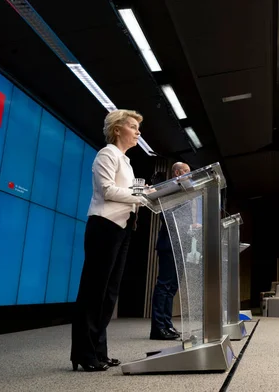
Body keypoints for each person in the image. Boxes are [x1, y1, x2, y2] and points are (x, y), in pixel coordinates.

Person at [70, 109, 144, 372]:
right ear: (117, 129)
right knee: (94, 291)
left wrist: (144, 195)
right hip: (104, 225)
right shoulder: (107, 154)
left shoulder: (126, 161)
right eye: (133, 127)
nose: (138, 132)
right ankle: (83, 353)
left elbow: (127, 192)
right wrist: (140, 196)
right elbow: (107, 190)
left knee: (109, 293)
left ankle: (99, 352)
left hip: (123, 228)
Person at [150, 162, 192, 340]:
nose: (190, 175)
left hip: (181, 244)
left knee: (172, 287)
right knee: (164, 286)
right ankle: (158, 327)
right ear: (177, 173)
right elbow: (166, 215)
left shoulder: (183, 192)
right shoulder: (168, 189)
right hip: (169, 244)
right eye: (187, 172)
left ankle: (167, 324)